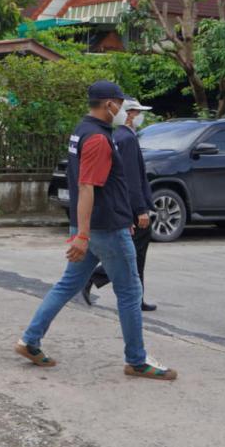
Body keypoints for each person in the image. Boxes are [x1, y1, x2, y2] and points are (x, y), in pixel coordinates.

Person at [15, 80, 176, 381]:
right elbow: (87, 186)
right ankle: (137, 360)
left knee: (68, 284)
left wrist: (85, 229)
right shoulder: (98, 139)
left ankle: (30, 340)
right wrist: (83, 235)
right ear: (109, 104)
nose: (124, 111)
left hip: (94, 224)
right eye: (121, 104)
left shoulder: (84, 130)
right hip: (105, 228)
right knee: (130, 292)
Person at [83, 98, 157, 311]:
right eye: (137, 112)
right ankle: (95, 279)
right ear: (130, 114)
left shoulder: (120, 136)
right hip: (132, 207)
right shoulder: (127, 138)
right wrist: (140, 209)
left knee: (130, 254)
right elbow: (131, 177)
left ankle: (136, 297)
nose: (140, 116)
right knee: (132, 255)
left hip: (125, 205)